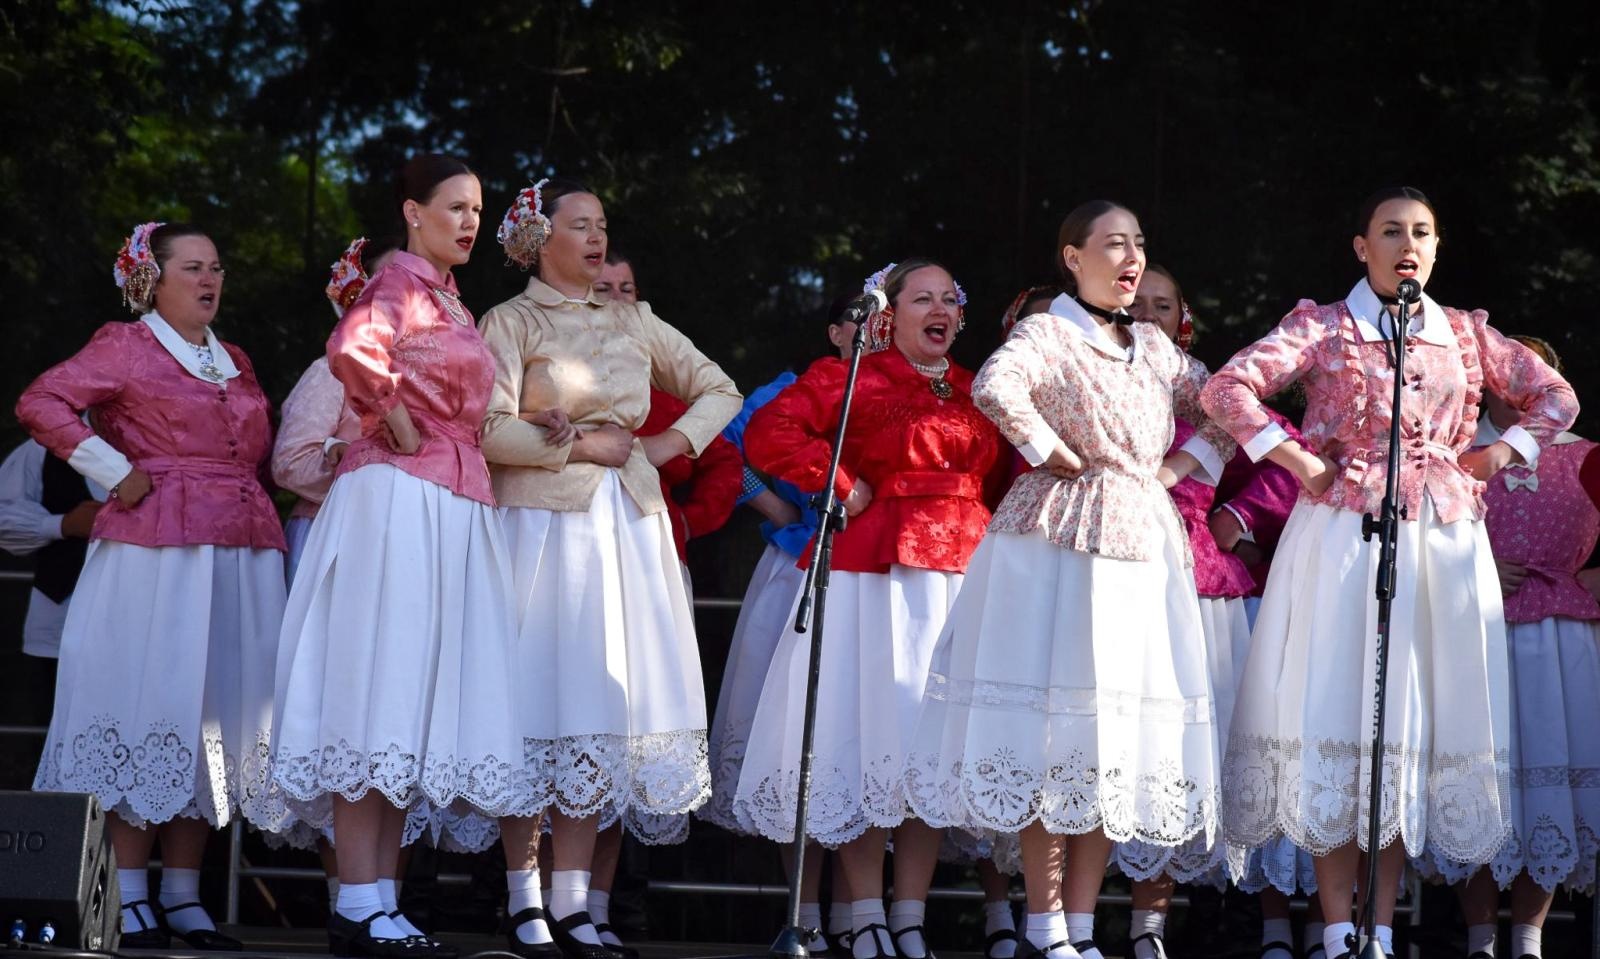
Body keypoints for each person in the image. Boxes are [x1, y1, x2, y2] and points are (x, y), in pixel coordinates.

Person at [1200, 186, 1579, 959]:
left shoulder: (1463, 333)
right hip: (1345, 532)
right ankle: (1338, 927)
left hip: (1440, 539)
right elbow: (1226, 387)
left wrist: (1498, 453)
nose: (1409, 244)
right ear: (1361, 246)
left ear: (1436, 248)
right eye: (1392, 231)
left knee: (1406, 723)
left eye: (1422, 233)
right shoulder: (1323, 325)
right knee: (1341, 714)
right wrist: (1297, 458)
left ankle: (1377, 929)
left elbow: (1556, 396)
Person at [904, 202, 1233, 959]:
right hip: (1060, 539)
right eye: (1115, 244)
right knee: (1051, 731)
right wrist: (1046, 448)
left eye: (1139, 244)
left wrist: (1176, 469)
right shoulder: (1049, 331)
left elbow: (1223, 405)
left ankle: (1080, 929)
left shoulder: (1153, 347)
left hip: (1140, 541)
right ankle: (1045, 925)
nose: (1132, 258)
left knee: (1107, 739)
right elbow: (996, 385)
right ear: (1073, 258)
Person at [258, 155, 536, 959]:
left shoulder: (448, 298)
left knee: (405, 695)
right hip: (400, 498)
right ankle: (356, 901)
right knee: (378, 685)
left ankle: (375, 900)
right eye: (455, 207)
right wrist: (393, 414)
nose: (470, 221)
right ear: (413, 212)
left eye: (477, 209)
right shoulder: (401, 284)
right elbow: (352, 348)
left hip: (447, 499)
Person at [478, 177, 741, 959]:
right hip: (540, 525)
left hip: (626, 525)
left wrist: (663, 445)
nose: (597, 238)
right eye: (581, 225)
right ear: (539, 239)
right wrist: (580, 444)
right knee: (533, 704)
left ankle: (573, 901)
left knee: (598, 707)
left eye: (602, 225)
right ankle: (522, 896)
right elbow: (486, 429)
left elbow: (719, 388)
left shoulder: (634, 319)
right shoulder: (511, 320)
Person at [16, 221, 287, 950]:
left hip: (236, 551)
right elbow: (41, 400)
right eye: (192, 267)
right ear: (151, 279)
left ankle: (181, 893)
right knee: (148, 705)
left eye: (216, 267)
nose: (210, 279)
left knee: (211, 714)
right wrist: (112, 469)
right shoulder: (126, 344)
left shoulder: (233, 357)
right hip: (157, 552)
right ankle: (127, 890)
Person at [735, 258, 1005, 959]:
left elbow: (1011, 473)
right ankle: (865, 915)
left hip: (964, 573)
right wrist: (838, 482)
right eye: (923, 298)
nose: (940, 309)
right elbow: (769, 430)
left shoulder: (980, 387)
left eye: (950, 298)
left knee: (931, 750)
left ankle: (909, 916)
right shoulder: (853, 374)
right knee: (870, 739)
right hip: (876, 573)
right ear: (889, 314)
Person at [1439, 336, 1599, 959]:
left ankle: (1528, 939)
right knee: (1479, 776)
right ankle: (1481, 939)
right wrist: (1472, 564)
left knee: (1550, 781)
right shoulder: (1454, 453)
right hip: (1474, 630)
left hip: (1560, 641)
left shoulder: (1587, 455)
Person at [271, 237, 397, 582]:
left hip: (399, 536)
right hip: (334, 536)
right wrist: (363, 479)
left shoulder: (428, 374)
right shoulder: (331, 371)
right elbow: (290, 462)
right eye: (390, 280)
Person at [0, 438, 103, 658]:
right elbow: (4, 516)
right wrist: (63, 525)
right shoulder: (44, 448)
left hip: (139, 626)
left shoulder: (163, 448)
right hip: (57, 625)